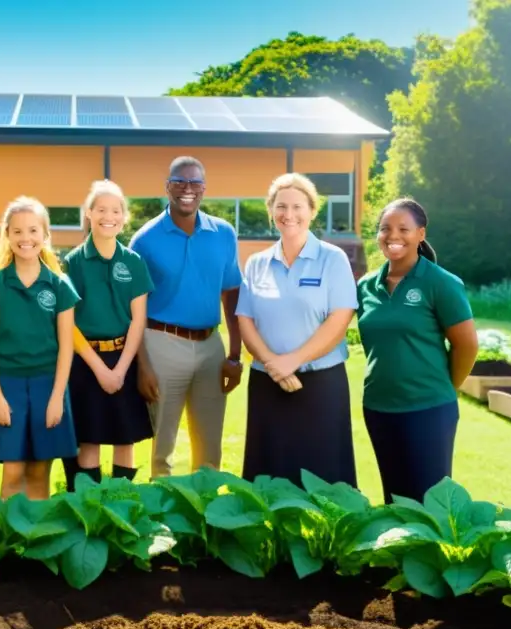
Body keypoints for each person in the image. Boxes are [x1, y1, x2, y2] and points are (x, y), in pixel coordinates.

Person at [236, 173, 358, 487]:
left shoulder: (333, 259)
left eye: (297, 206)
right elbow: (245, 320)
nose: (288, 214)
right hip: (267, 383)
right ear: (270, 210)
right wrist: (274, 365)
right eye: (281, 206)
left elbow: (339, 319)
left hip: (320, 385)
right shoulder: (257, 263)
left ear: (312, 211)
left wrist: (293, 360)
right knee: (268, 473)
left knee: (323, 474)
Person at [356, 198, 479, 504]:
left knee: (429, 502)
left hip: (428, 409)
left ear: (420, 234)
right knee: (394, 498)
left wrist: (446, 387)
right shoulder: (366, 286)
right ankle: (397, 553)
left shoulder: (441, 283)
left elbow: (467, 344)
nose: (393, 236)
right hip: (379, 407)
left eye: (403, 229)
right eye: (385, 228)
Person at [130, 156, 243, 479]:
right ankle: (161, 518)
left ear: (204, 189)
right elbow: (133, 309)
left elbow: (232, 296)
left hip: (210, 347)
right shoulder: (145, 240)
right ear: (167, 187)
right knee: (161, 446)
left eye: (195, 183)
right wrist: (143, 365)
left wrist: (235, 355)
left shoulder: (224, 233)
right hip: (161, 343)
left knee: (210, 445)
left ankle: (203, 516)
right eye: (179, 181)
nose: (187, 189)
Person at [0, 196, 80, 500]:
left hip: (48, 384)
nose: (26, 238)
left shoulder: (60, 286)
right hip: (6, 384)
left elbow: (66, 348)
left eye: (33, 231)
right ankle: (10, 543)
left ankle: (35, 541)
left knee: (38, 472)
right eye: (18, 231)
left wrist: (57, 397)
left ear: (45, 236)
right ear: (7, 235)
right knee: (13, 472)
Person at [62, 180, 154, 488]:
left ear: (125, 217)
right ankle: (89, 509)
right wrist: (100, 369)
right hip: (86, 361)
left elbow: (138, 320)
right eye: (101, 209)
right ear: (88, 213)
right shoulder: (73, 261)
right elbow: (68, 322)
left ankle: (120, 505)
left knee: (124, 438)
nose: (108, 216)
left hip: (123, 358)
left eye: (116, 210)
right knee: (90, 440)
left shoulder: (133, 261)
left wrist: (121, 368)